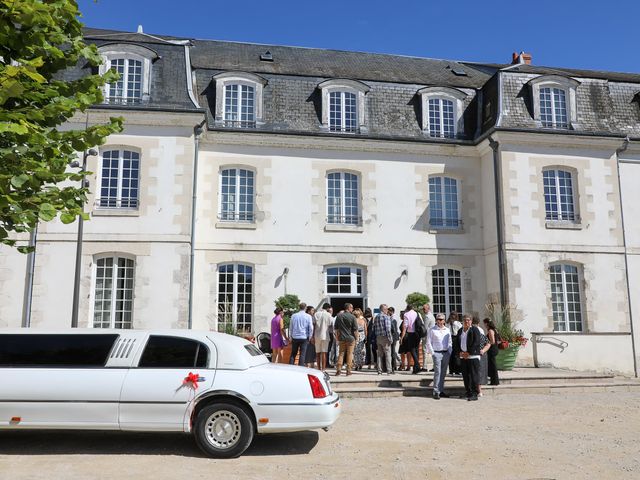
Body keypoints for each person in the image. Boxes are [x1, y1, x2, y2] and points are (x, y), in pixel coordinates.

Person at [426, 313, 451, 399]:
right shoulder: (432, 330)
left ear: (444, 320)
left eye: (441, 319)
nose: (439, 321)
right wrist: (433, 353)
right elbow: (428, 342)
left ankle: (441, 390)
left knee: (443, 373)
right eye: (438, 319)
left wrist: (449, 352)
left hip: (445, 353)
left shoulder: (447, 330)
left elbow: (450, 342)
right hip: (436, 352)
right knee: (438, 372)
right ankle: (436, 391)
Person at [459, 314, 481, 401]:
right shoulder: (460, 330)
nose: (466, 321)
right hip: (463, 357)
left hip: (473, 356)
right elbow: (457, 342)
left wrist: (469, 352)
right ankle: (468, 392)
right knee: (465, 376)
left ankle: (474, 393)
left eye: (468, 320)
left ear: (471, 321)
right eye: (464, 320)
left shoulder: (474, 329)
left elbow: (476, 342)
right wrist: (460, 352)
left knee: (473, 376)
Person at [334, 303, 358, 376]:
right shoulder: (352, 317)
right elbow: (355, 330)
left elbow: (336, 329)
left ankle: (338, 370)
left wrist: (337, 338)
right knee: (350, 354)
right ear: (349, 308)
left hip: (342, 338)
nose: (352, 309)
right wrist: (356, 339)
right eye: (352, 308)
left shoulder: (339, 316)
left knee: (341, 354)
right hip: (351, 338)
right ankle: (348, 370)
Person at [288, 302, 313, 366]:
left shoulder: (294, 316)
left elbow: (291, 327)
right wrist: (310, 336)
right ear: (305, 308)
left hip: (295, 337)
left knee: (293, 353)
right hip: (304, 337)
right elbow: (311, 327)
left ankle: (290, 367)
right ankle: (301, 368)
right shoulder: (308, 316)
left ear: (299, 307)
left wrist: (290, 336)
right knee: (302, 354)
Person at [472, 316, 490, 397]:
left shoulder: (478, 332)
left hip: (478, 354)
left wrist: (483, 350)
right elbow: (488, 343)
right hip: (477, 354)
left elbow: (488, 343)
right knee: (478, 372)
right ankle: (478, 390)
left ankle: (479, 390)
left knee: (478, 372)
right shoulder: (480, 331)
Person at [373, 304, 393, 375]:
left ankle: (379, 370)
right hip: (385, 337)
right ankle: (389, 370)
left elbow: (374, 328)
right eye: (386, 309)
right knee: (388, 354)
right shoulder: (386, 317)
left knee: (379, 354)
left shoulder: (376, 317)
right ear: (383, 309)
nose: (387, 310)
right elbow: (388, 329)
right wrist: (390, 338)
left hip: (378, 337)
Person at [401, 304, 420, 374]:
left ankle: (417, 364)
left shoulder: (406, 314)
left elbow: (405, 326)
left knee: (412, 349)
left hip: (411, 333)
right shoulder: (417, 313)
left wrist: (402, 337)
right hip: (418, 333)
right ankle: (416, 368)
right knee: (416, 349)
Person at [314, 303, 333, 371]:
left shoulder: (316, 314)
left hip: (317, 335)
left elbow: (313, 324)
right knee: (324, 353)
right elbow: (331, 324)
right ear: (328, 308)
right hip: (325, 335)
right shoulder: (328, 315)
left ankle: (319, 368)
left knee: (318, 353)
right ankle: (323, 369)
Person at [484, 317, 500, 385]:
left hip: (492, 349)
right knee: (492, 365)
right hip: (495, 348)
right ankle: (494, 381)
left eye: (484, 323)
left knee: (493, 365)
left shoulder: (490, 330)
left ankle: (494, 381)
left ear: (487, 323)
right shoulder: (495, 329)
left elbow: (492, 341)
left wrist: (486, 343)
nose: (484, 325)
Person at [420, 303, 436, 372]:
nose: (423, 310)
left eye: (424, 309)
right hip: (432, 335)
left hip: (427, 335)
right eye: (423, 309)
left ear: (428, 308)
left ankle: (424, 366)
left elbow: (425, 328)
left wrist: (422, 336)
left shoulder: (427, 316)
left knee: (424, 351)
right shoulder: (432, 315)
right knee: (432, 351)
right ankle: (434, 366)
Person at [388, 306, 400, 373]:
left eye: (389, 311)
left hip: (394, 335)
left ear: (391, 311)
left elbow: (393, 328)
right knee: (393, 350)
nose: (388, 312)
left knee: (392, 351)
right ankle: (394, 365)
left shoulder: (393, 318)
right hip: (395, 335)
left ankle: (394, 365)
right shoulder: (393, 317)